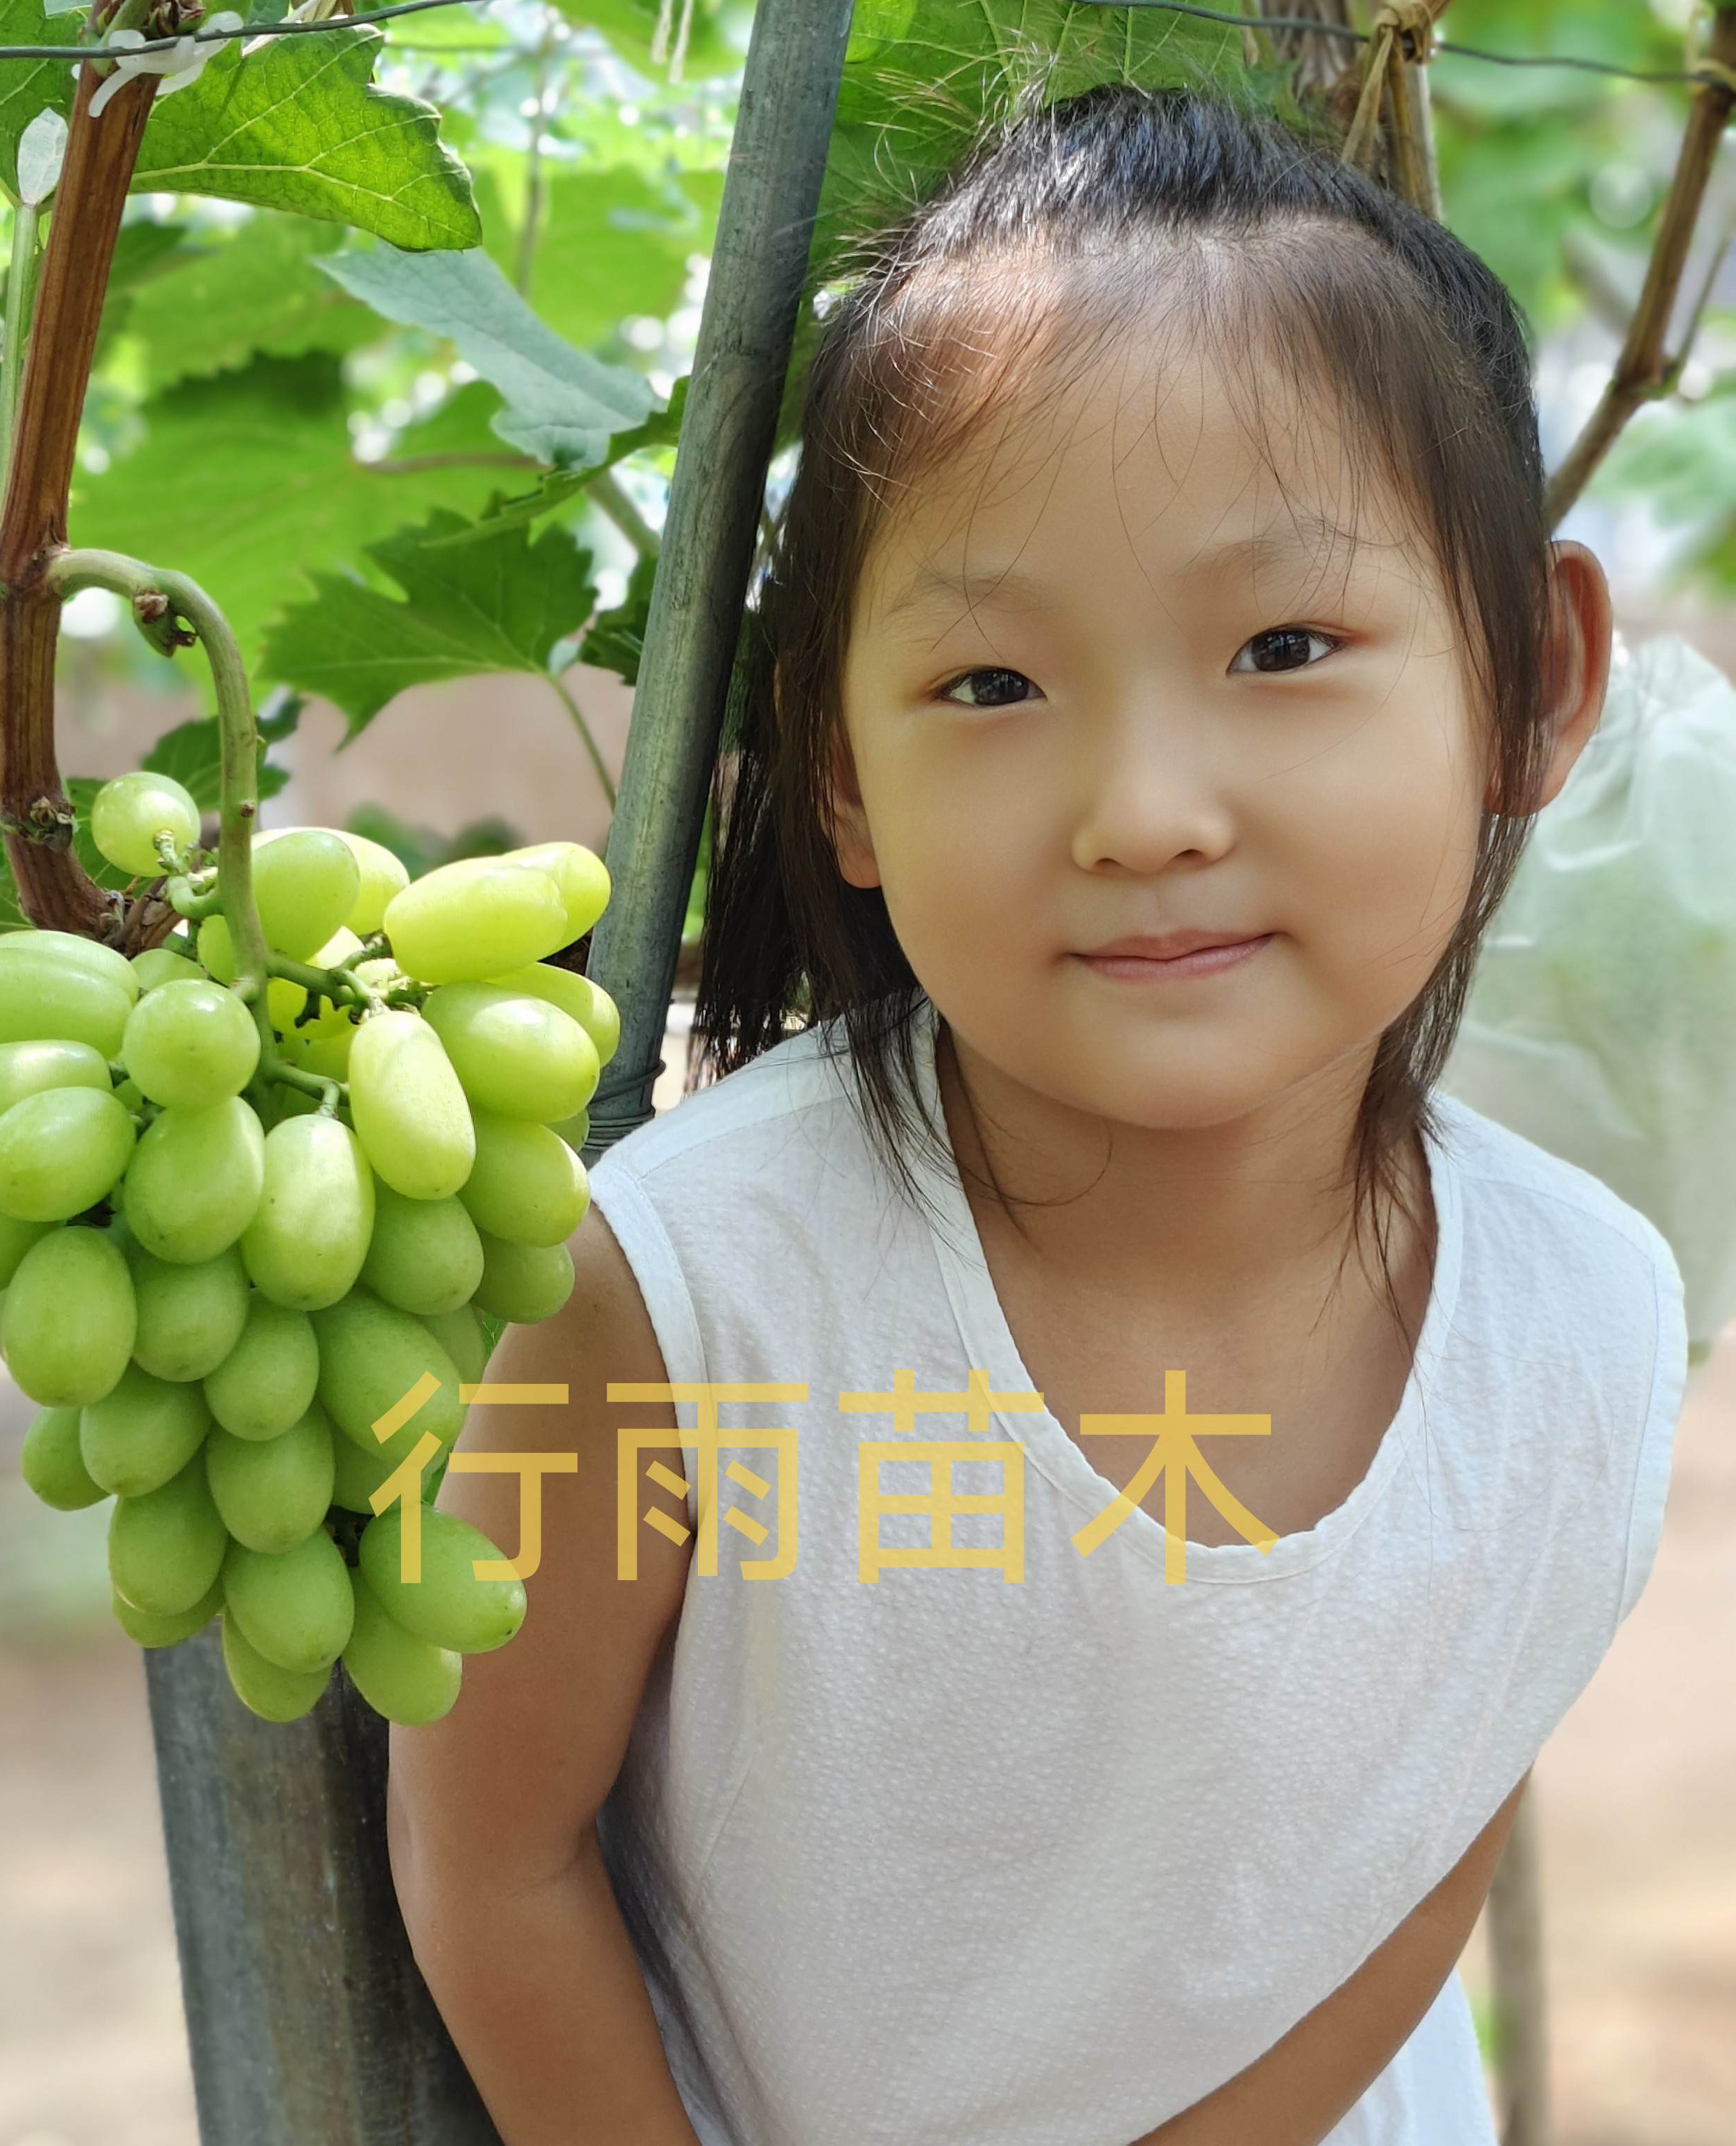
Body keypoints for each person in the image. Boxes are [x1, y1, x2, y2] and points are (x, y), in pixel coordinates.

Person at [386, 83, 1691, 2146]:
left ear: (1531, 679)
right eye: (993, 687)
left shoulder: (1591, 1321)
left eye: (1285, 644)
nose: (1145, 814)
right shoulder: (688, 1290)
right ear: (833, 768)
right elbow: (491, 1851)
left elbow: (1437, 1833)